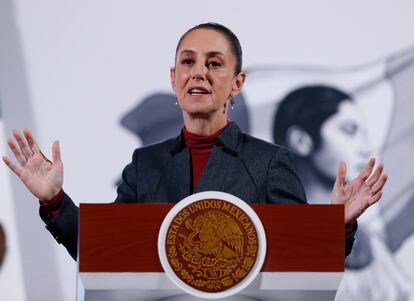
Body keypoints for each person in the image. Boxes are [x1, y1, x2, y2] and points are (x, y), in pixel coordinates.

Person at [2, 23, 387, 262]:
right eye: (188, 62)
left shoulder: (270, 163)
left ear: (237, 83)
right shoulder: (145, 164)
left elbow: (302, 264)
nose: (198, 72)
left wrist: (338, 225)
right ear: (173, 78)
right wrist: (54, 200)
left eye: (214, 63)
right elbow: (102, 253)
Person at [272, 85, 409, 300]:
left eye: (364, 134)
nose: (366, 148)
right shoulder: (269, 235)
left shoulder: (367, 239)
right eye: (349, 130)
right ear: (301, 141)